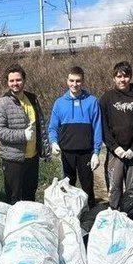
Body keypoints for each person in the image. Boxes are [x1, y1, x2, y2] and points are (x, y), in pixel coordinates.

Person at [0, 63, 50, 204]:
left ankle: (28, 224)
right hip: (13, 159)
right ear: (7, 82)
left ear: (24, 80)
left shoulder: (32, 98)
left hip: (32, 157)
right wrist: (22, 135)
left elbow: (40, 125)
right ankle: (14, 225)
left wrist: (45, 149)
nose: (15, 83)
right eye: (11, 80)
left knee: (30, 196)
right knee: (14, 198)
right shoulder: (2, 103)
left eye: (18, 80)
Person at [48, 66, 102, 207]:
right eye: (71, 80)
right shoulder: (59, 103)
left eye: (78, 81)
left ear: (83, 82)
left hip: (86, 152)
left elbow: (97, 128)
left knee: (87, 187)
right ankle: (70, 215)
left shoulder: (92, 101)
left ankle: (89, 215)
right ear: (67, 81)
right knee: (67, 186)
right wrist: (53, 142)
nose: (74, 84)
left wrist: (96, 152)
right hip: (67, 152)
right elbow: (52, 127)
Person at [99, 61, 133, 209]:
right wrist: (115, 147)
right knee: (114, 188)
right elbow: (103, 126)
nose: (122, 79)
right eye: (119, 76)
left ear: (130, 77)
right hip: (115, 153)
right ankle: (115, 214)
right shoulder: (106, 98)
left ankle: (132, 218)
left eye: (126, 76)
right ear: (114, 78)